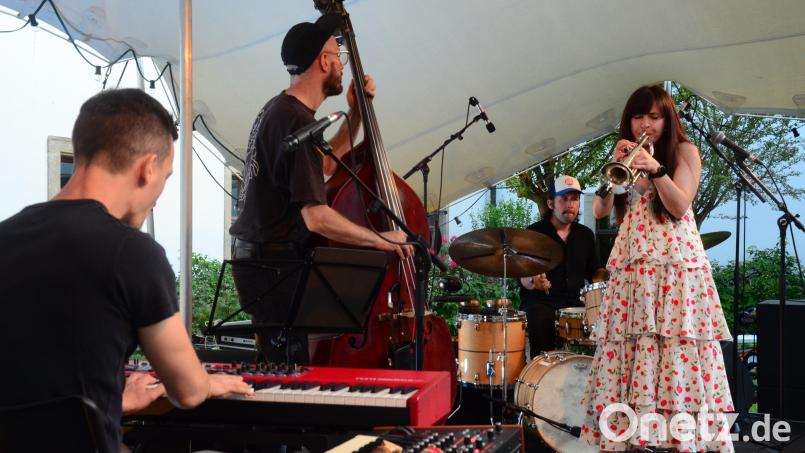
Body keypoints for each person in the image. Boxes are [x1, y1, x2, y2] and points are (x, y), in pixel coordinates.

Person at [0, 89, 253, 450]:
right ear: (148, 168)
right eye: (165, 177)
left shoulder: (5, 236)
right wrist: (209, 381)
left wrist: (112, 401)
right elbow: (188, 391)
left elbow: (33, 395)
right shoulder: (132, 253)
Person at [229, 14, 412, 364]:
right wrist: (382, 239)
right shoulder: (294, 118)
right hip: (274, 264)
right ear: (323, 61)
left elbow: (325, 166)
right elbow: (316, 217)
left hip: (263, 259)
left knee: (285, 366)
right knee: (288, 371)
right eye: (338, 58)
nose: (343, 67)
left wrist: (356, 114)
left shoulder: (281, 109)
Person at [580, 85, 734, 451]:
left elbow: (680, 206)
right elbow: (600, 212)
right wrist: (611, 172)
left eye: (654, 116)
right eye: (638, 116)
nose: (645, 124)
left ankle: (679, 440)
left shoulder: (685, 151)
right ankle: (635, 438)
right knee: (632, 350)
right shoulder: (625, 156)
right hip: (634, 268)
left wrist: (655, 169)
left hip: (674, 268)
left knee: (675, 349)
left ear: (667, 119)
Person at [518, 175, 599, 358]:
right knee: (540, 318)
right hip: (541, 302)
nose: (570, 204)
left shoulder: (585, 235)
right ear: (551, 204)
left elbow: (594, 272)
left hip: (575, 303)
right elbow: (522, 274)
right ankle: (542, 375)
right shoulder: (533, 233)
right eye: (563, 199)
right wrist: (533, 281)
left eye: (574, 199)